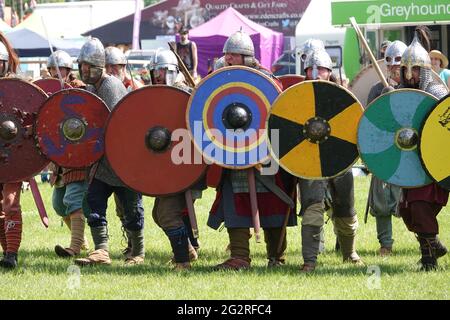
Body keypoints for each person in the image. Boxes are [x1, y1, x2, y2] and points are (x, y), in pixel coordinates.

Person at [207, 30, 297, 271]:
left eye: (233, 55)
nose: (228, 60)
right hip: (232, 149)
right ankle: (239, 256)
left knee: (274, 203)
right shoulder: (222, 78)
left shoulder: (267, 80)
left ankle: (276, 256)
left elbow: (278, 111)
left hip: (265, 151)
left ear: (246, 57)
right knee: (234, 200)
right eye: (226, 55)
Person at [73, 38, 145, 267]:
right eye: (82, 65)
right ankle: (101, 251)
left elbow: (119, 126)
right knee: (94, 203)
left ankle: (138, 252)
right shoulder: (93, 88)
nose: (85, 70)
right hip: (102, 162)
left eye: (88, 66)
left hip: (124, 161)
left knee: (131, 210)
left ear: (99, 66)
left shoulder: (111, 86)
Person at [296, 48, 363, 272]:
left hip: (339, 159)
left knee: (345, 209)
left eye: (321, 69)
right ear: (304, 71)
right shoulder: (297, 96)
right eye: (310, 69)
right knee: (312, 207)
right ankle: (310, 260)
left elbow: (354, 127)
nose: (316, 73)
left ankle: (349, 252)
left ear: (329, 71)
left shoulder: (341, 95)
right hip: (310, 160)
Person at [148, 49, 204, 270]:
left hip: (185, 164)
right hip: (168, 165)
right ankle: (187, 250)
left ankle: (182, 261)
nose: (158, 75)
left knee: (167, 213)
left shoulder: (185, 93)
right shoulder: (158, 95)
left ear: (172, 71)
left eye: (162, 70)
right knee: (158, 213)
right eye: (155, 71)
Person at [398, 31, 449, 271]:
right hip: (408, 162)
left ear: (426, 70)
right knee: (408, 211)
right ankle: (434, 245)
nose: (410, 75)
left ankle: (429, 260)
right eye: (406, 69)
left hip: (433, 162)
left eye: (416, 69)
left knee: (420, 206)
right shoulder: (397, 96)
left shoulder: (438, 95)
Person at [45, 50, 90, 258]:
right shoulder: (47, 91)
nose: (55, 72)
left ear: (68, 69)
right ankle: (81, 241)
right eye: (52, 69)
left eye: (59, 68)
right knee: (59, 204)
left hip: (78, 156)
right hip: (59, 158)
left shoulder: (80, 89)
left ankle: (74, 247)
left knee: (73, 201)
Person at [366, 41, 407, 256]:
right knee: (381, 201)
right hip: (385, 151)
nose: (394, 68)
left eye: (399, 63)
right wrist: (384, 99)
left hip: (412, 152)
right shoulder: (377, 89)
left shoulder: (415, 86)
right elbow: (369, 123)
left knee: (416, 202)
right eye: (390, 64)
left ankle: (426, 242)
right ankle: (386, 244)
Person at [0, 33, 25, 269]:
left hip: (14, 153)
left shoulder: (18, 87)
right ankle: (5, 251)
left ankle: (12, 254)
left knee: (10, 204)